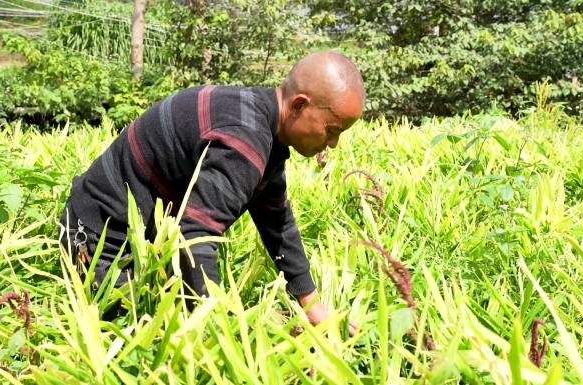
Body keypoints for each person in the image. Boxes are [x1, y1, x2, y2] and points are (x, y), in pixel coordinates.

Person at [58, 50, 365, 331]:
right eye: (332, 129)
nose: (334, 143)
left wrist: (311, 304)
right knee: (155, 330)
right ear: (299, 105)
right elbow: (195, 236)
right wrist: (215, 329)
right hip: (95, 247)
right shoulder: (245, 139)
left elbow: (278, 222)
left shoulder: (259, 121)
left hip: (132, 240)